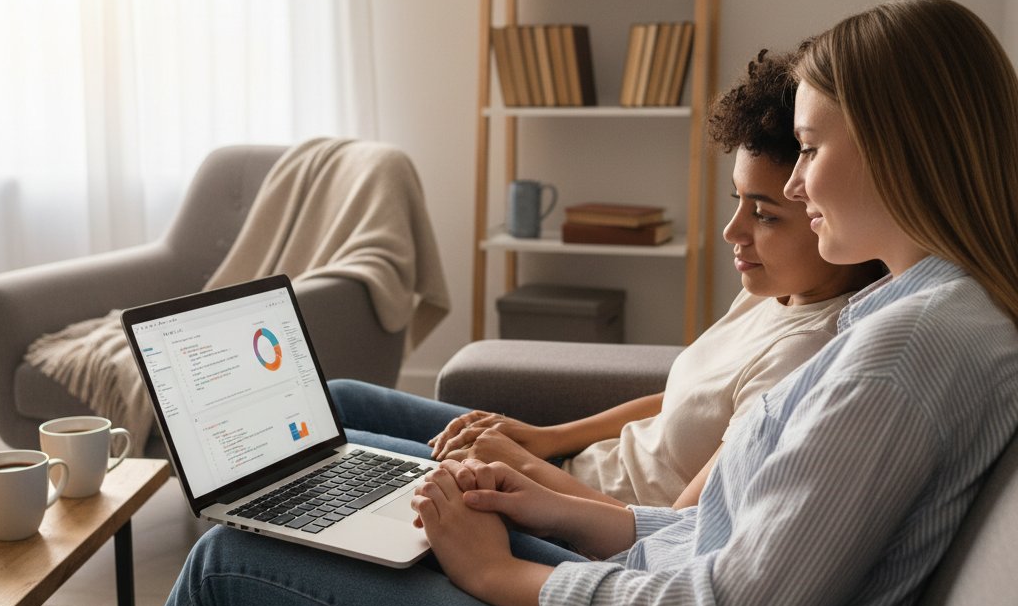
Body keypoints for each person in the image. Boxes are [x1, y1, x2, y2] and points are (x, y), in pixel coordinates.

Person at [88, 0, 1018, 606]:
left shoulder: (906, 355)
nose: (798, 178)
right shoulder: (911, 316)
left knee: (231, 569)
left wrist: (499, 574)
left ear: (902, 146)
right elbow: (726, 542)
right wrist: (555, 509)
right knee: (386, 494)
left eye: (810, 150)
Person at [327, 49, 881, 509]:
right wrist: (546, 438)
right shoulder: (776, 291)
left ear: (820, 205)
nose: (732, 231)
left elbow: (675, 532)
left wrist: (522, 467)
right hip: (557, 470)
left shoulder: (803, 355)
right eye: (737, 200)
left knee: (329, 457)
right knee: (342, 398)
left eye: (764, 214)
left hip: (555, 514)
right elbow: (681, 400)